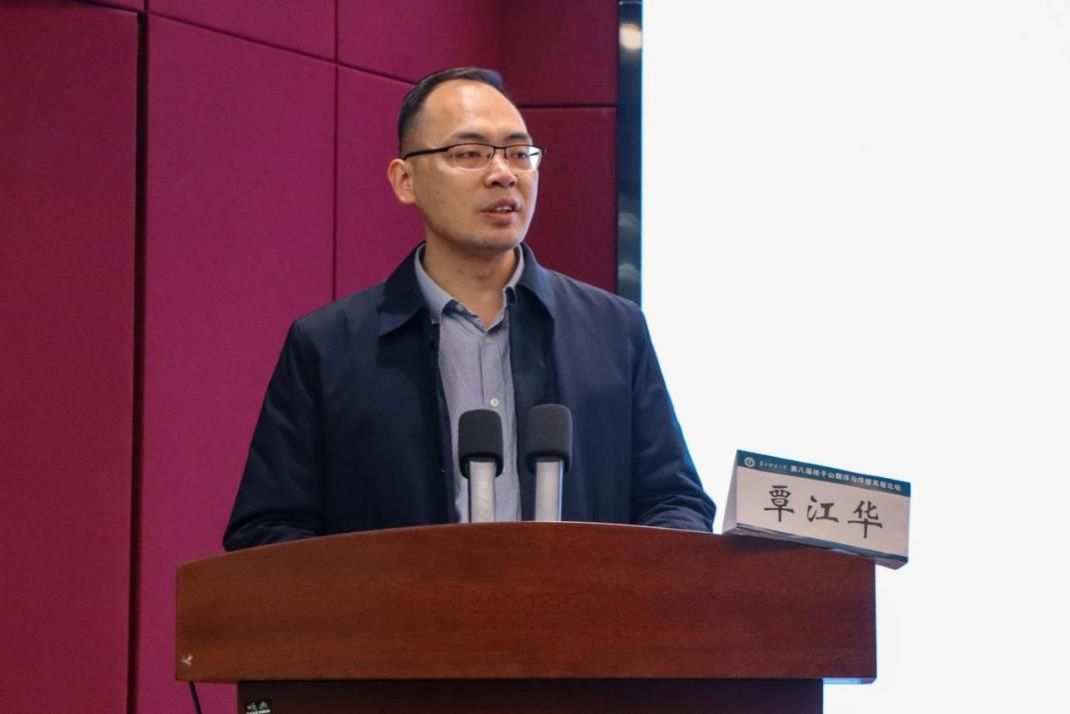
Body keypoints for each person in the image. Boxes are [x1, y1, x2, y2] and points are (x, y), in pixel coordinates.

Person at [223, 67, 714, 550]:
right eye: (469, 154)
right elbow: (268, 531)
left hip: (581, 605)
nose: (503, 174)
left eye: (519, 153)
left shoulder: (612, 330)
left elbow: (674, 501)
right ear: (405, 180)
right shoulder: (329, 348)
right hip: (400, 607)